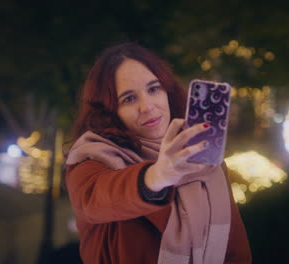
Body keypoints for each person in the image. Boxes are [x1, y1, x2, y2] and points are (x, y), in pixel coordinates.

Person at [65, 42, 251, 264]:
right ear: (109, 111)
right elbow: (95, 201)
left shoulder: (203, 156)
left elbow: (234, 249)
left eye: (154, 89)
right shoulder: (92, 158)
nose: (148, 106)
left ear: (167, 91)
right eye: (129, 98)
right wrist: (156, 176)